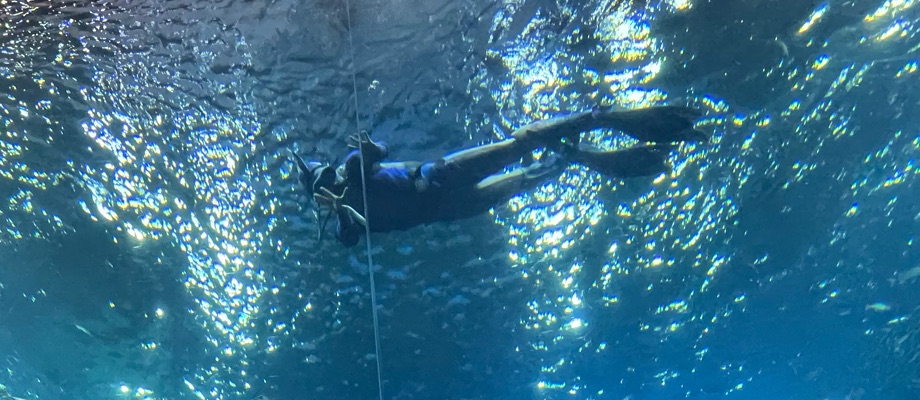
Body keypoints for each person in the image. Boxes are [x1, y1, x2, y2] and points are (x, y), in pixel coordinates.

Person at [292, 104, 705, 247]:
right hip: (448, 207)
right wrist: (342, 212)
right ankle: (575, 157)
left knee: (515, 147)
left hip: (441, 177)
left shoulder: (351, 168)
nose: (329, 185)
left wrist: (367, 149)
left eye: (325, 177)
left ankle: (598, 119)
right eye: (321, 186)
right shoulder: (344, 219)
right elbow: (348, 239)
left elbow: (379, 153)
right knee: (522, 179)